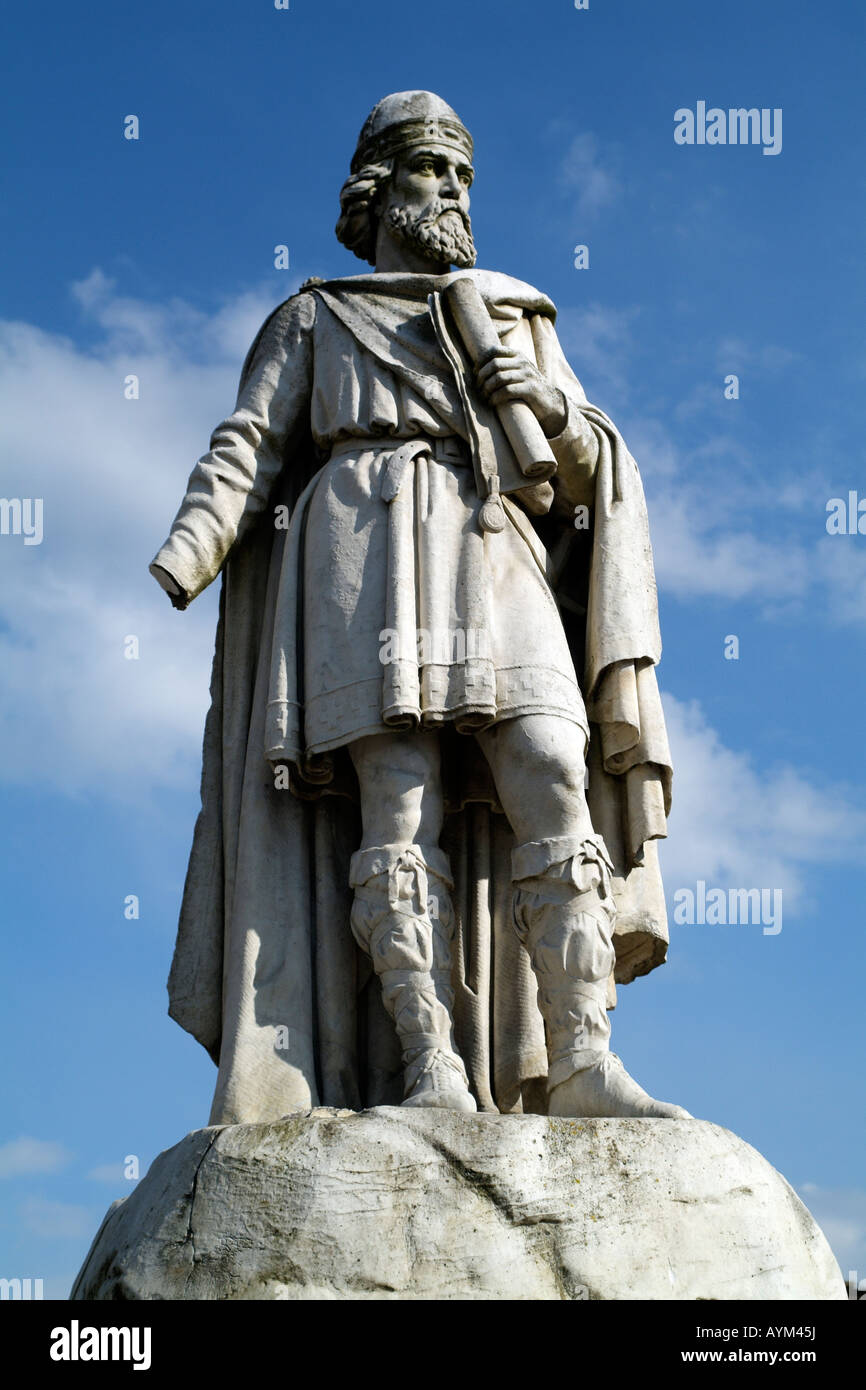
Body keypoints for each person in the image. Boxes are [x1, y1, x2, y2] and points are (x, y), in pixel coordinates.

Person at [151, 91, 689, 1124]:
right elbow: (250, 445)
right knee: (397, 807)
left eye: (459, 173)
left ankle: (578, 1060)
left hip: (491, 546)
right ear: (375, 187)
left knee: (549, 769)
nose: (449, 189)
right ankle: (427, 1061)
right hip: (360, 551)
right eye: (428, 168)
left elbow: (584, 471)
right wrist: (193, 545)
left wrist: (547, 406)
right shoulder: (315, 317)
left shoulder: (516, 312)